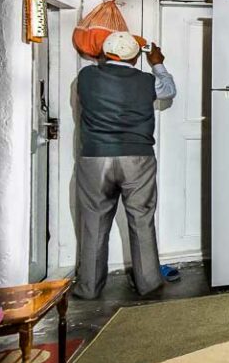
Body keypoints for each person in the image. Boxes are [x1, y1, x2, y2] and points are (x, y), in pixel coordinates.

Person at [74, 32, 176, 299]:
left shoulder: (85, 77)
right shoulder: (147, 81)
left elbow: (101, 64)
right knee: (142, 220)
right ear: (135, 57)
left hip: (95, 158)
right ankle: (149, 284)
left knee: (94, 222)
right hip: (138, 158)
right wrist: (157, 62)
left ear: (106, 54)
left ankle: (89, 288)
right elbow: (169, 89)